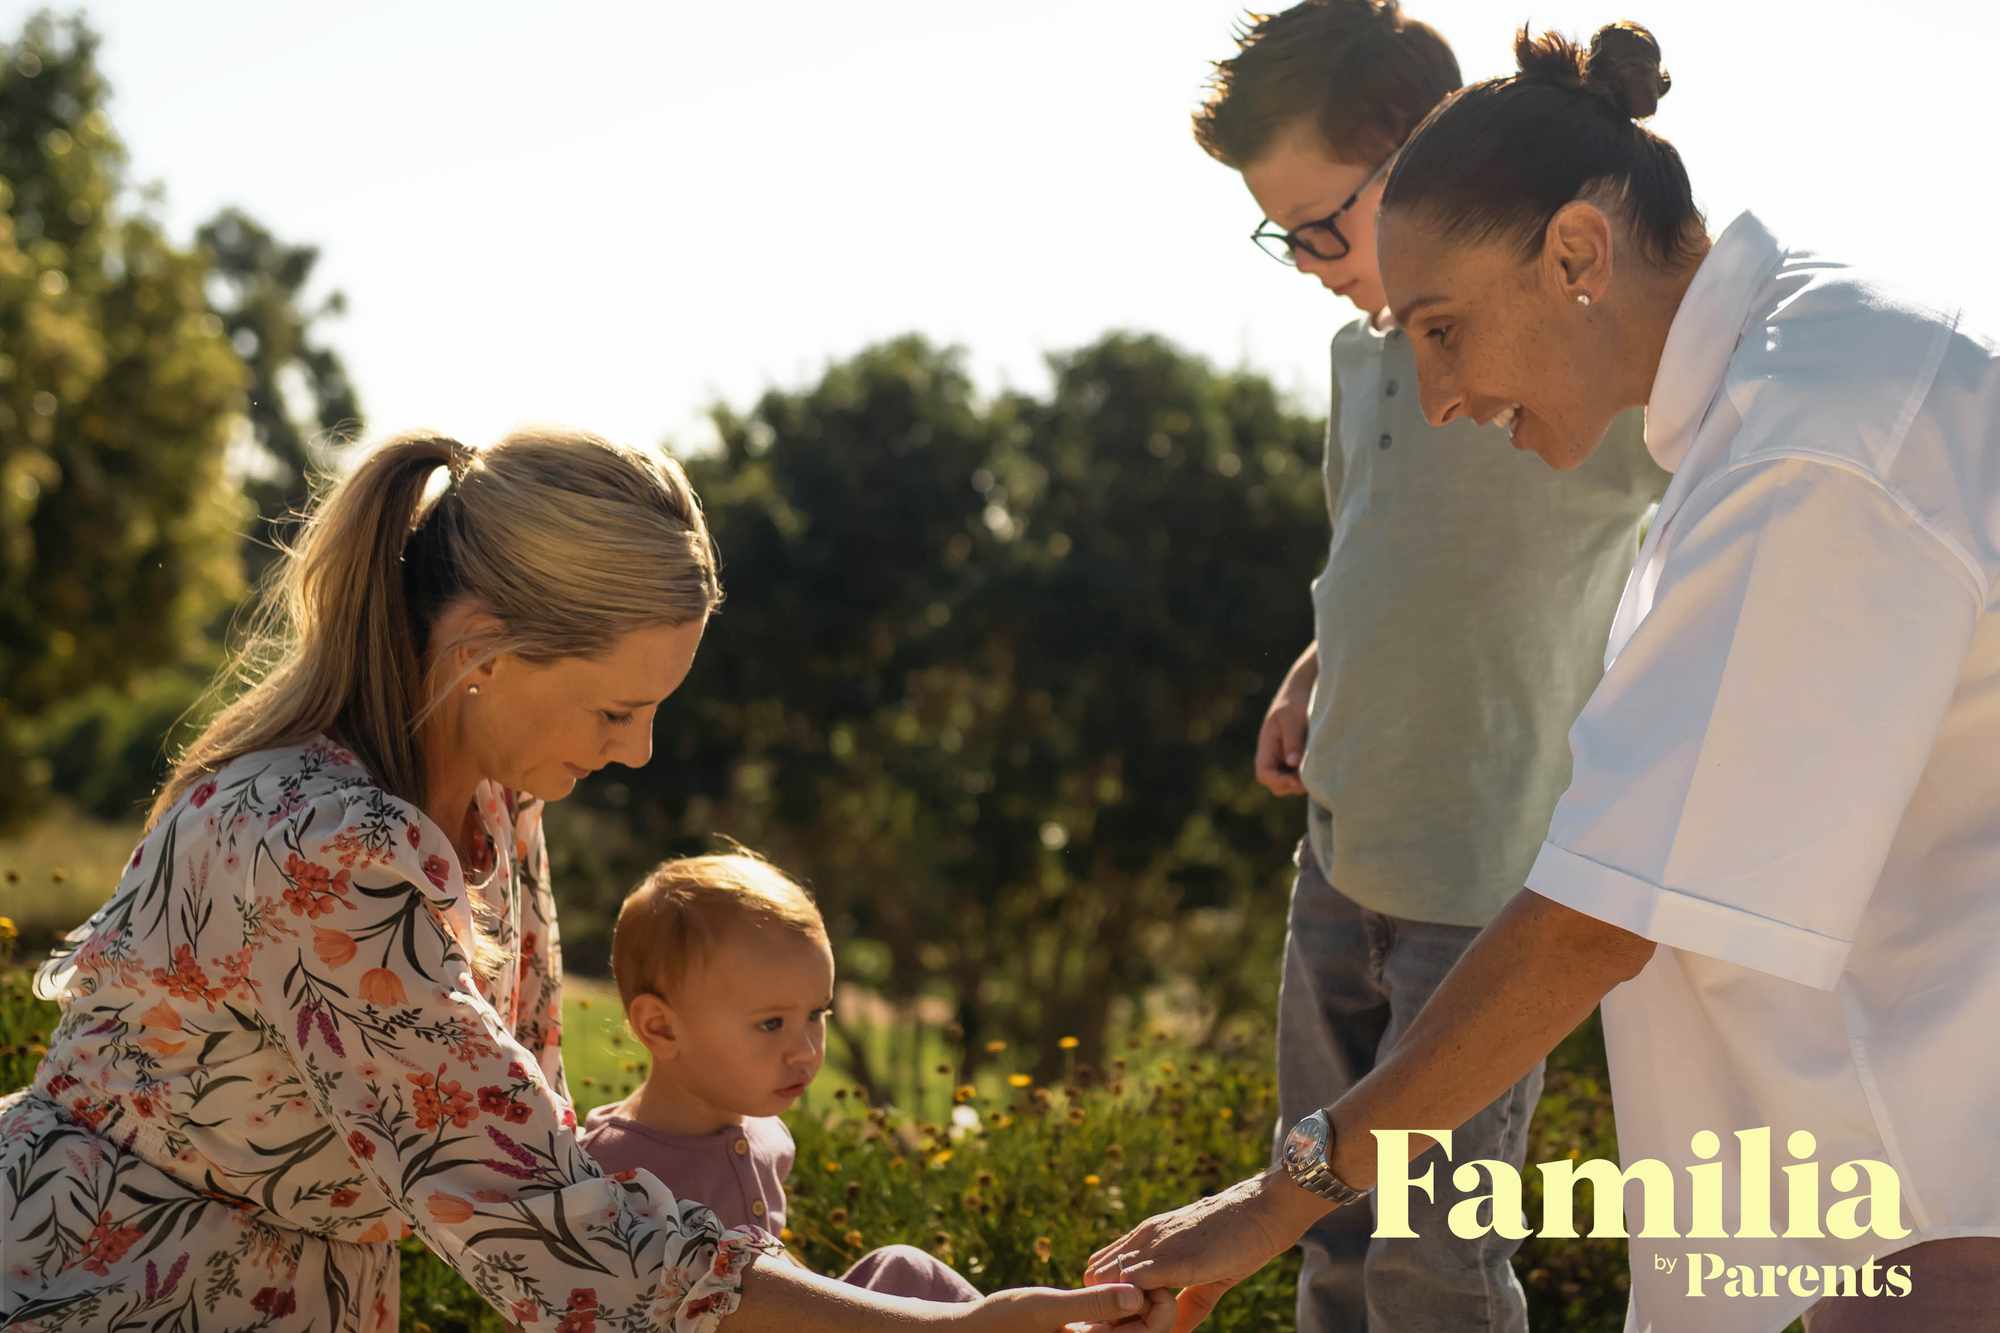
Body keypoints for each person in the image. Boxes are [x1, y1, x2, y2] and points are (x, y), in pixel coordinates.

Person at [1089, 20, 2000, 1333]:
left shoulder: (1814, 455)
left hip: (1954, 1209)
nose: (1441, 395)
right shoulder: (1789, 379)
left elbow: (1595, 918)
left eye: (1447, 329)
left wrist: (1276, 1196)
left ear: (1577, 251)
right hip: (1904, 1192)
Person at [0, 429, 1170, 1333]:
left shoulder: (495, 800)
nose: (637, 750)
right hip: (113, 1285)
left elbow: (540, 1140)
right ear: (481, 653)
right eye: (617, 707)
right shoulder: (323, 846)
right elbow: (534, 1210)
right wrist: (936, 1326)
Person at [1189, 3, 1666, 1328]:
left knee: (1430, 1254)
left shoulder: (1587, 357)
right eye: (1279, 235)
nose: (1302, 261)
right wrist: (1309, 671)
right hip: (1339, 866)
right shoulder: (1362, 361)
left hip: (1485, 895)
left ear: (1423, 157)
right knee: (1322, 1222)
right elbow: (1375, 566)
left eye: (1319, 227)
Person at [580, 851, 980, 1302]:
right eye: (772, 1024)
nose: (807, 1050)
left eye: (817, 1014)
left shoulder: (766, 1133)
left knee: (906, 1270)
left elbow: (776, 1272)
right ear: (662, 1027)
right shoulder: (611, 1170)